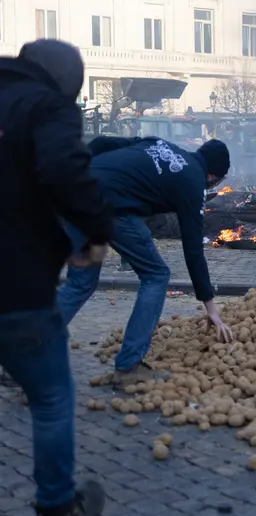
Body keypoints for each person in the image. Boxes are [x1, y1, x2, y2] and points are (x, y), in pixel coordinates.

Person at [0, 39, 112, 515]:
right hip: (14, 283)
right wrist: (95, 235)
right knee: (49, 399)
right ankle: (57, 506)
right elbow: (64, 169)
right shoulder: (46, 106)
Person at [57, 136, 235, 386]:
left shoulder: (160, 143)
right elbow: (193, 249)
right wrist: (211, 308)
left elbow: (102, 142)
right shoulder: (194, 183)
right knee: (156, 275)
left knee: (80, 283)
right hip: (108, 211)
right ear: (213, 177)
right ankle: (128, 367)